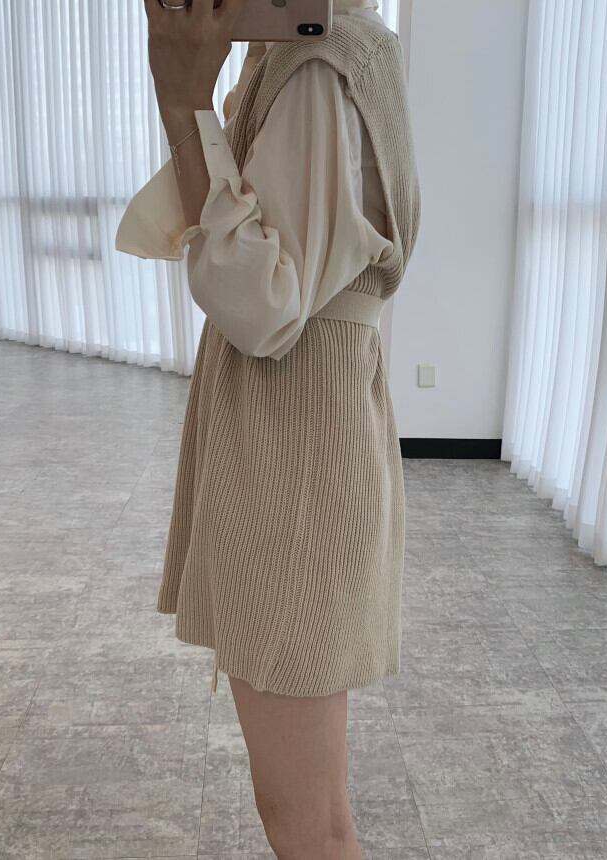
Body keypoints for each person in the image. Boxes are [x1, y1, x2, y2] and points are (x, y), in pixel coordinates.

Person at [116, 0, 420, 856]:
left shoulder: (319, 63)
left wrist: (184, 100)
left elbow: (263, 305)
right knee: (302, 807)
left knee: (305, 817)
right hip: (293, 434)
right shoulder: (289, 54)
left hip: (297, 451)